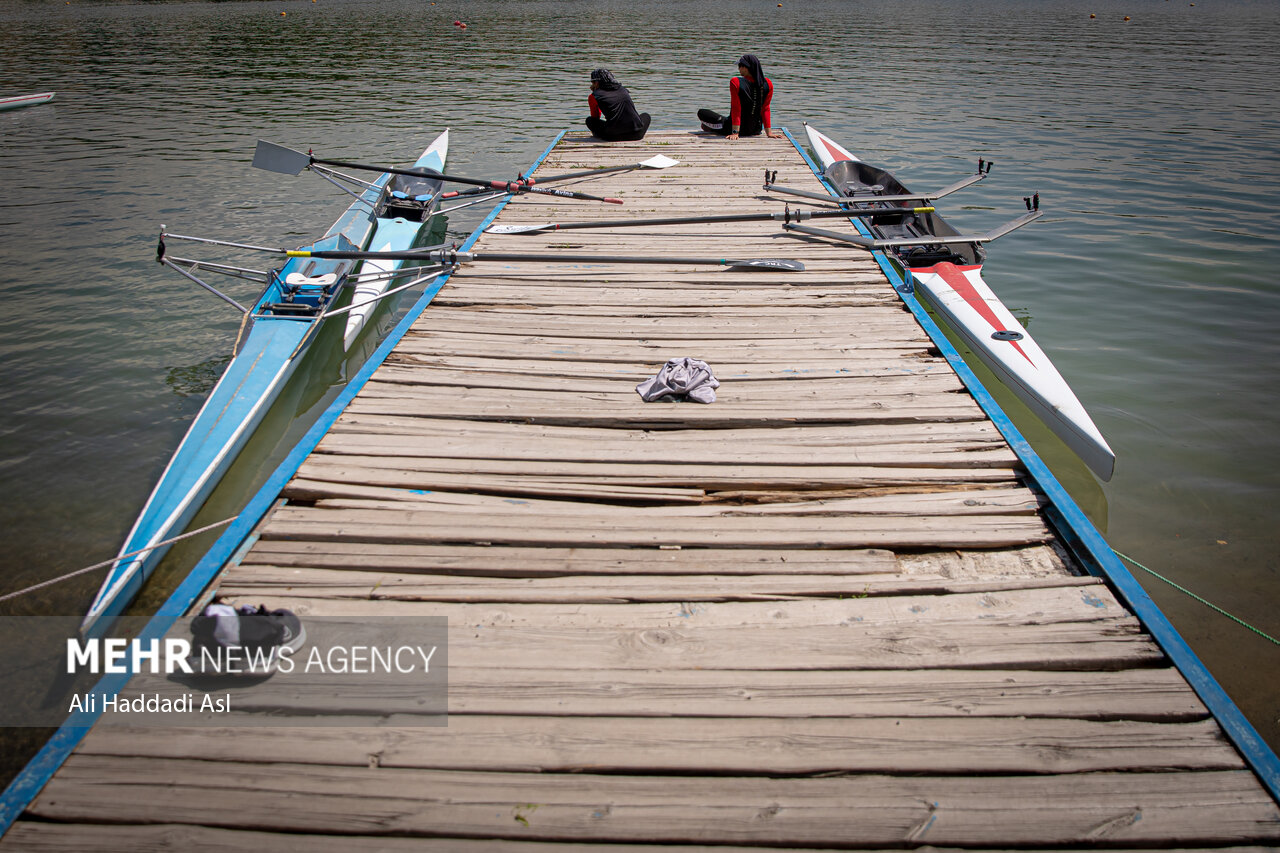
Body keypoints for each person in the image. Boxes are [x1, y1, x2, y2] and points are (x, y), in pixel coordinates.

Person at [698, 54, 783, 140]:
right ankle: (711, 127)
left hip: (733, 128)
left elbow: (736, 108)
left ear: (746, 67)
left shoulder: (736, 82)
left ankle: (710, 128)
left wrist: (735, 133)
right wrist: (769, 133)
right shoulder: (768, 84)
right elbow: (765, 109)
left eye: (739, 66)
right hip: (755, 130)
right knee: (718, 120)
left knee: (702, 113)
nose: (738, 69)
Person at [586, 69, 651, 142]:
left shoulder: (594, 96)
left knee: (590, 120)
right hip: (637, 134)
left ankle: (599, 135)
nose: (592, 85)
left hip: (613, 136)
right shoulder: (623, 90)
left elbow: (596, 117)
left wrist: (596, 95)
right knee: (646, 115)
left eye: (593, 83)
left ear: (597, 83)